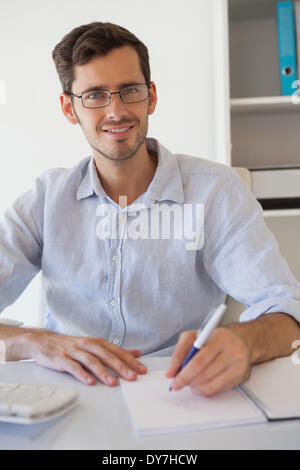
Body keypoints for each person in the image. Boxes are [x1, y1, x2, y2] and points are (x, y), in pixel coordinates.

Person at [1, 22, 300, 397]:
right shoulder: (46, 199)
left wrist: (244, 340)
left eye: (130, 91)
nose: (116, 111)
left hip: (177, 391)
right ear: (68, 107)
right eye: (94, 95)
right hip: (66, 396)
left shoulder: (216, 192)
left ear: (151, 97)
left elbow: (287, 312)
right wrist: (35, 342)